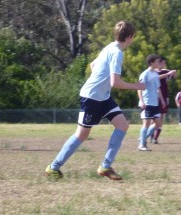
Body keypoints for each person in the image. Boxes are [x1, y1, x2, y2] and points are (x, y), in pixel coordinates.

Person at [45, 21, 145, 181]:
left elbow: (93, 65)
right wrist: (137, 86)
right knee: (81, 135)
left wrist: (100, 82)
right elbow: (115, 83)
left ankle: (105, 166)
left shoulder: (109, 47)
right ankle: (53, 167)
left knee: (122, 125)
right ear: (130, 37)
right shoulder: (117, 53)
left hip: (103, 97)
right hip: (91, 97)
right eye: (133, 37)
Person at [137, 54, 165, 151]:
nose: (159, 63)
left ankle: (142, 138)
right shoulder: (145, 74)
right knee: (146, 124)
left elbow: (158, 89)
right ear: (151, 62)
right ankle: (141, 145)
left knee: (158, 123)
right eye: (157, 61)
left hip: (155, 103)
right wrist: (141, 100)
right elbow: (139, 88)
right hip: (147, 102)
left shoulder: (155, 74)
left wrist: (162, 100)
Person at [150, 56, 177, 144]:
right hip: (155, 97)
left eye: (165, 63)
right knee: (152, 118)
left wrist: (174, 73)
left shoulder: (165, 71)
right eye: (163, 63)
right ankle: (150, 136)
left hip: (164, 96)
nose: (164, 64)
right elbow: (158, 77)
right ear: (159, 63)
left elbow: (174, 77)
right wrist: (168, 73)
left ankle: (155, 138)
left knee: (161, 117)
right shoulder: (153, 72)